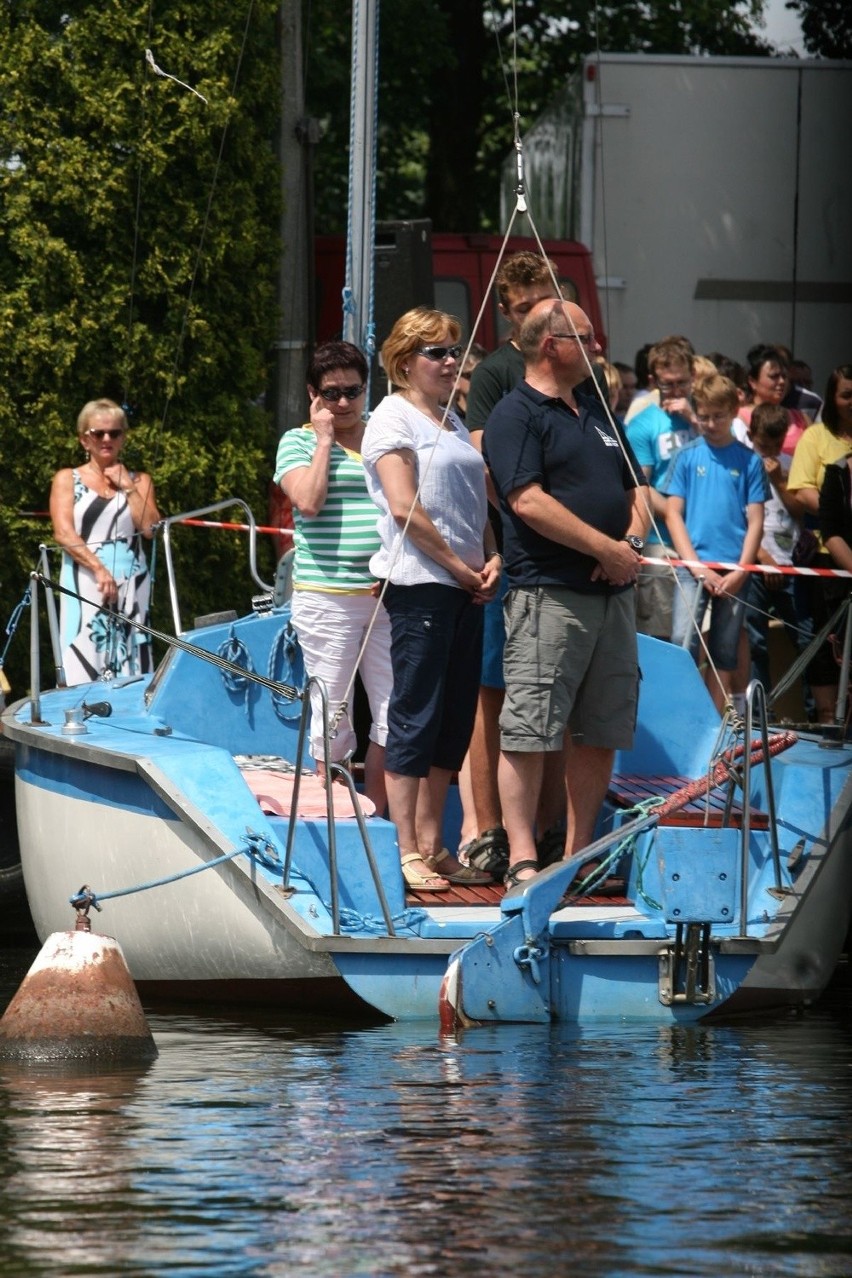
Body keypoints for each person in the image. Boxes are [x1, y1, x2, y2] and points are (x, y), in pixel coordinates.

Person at [483, 299, 649, 887]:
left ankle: (578, 857)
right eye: (585, 336)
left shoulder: (601, 409)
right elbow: (525, 501)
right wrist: (603, 551)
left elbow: (639, 491)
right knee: (529, 731)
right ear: (551, 345)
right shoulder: (515, 414)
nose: (599, 345)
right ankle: (524, 857)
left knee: (601, 729)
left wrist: (624, 546)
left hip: (612, 596)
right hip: (548, 595)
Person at [361, 308, 500, 892]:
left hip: (466, 587)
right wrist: (460, 570)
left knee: (451, 718)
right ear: (404, 361)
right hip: (421, 585)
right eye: (436, 353)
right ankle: (405, 848)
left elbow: (475, 507)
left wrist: (493, 560)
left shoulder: (449, 418)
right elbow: (404, 508)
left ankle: (434, 843)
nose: (450, 361)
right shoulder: (391, 419)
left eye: (453, 351)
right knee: (415, 716)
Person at [457, 252, 563, 879]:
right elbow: (485, 468)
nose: (535, 317)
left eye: (542, 303)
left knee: (560, 704)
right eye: (522, 308)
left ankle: (553, 836)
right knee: (491, 698)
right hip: (513, 560)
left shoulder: (584, 371)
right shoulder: (498, 372)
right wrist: (542, 516)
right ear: (504, 311)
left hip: (570, 572)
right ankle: (488, 829)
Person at [274, 341, 393, 812]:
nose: (343, 403)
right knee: (333, 716)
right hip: (328, 596)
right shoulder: (298, 441)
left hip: (388, 594)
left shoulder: (385, 437)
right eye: (331, 393)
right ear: (313, 394)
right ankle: (339, 816)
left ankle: (384, 818)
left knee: (393, 713)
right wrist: (325, 440)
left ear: (368, 390)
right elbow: (307, 501)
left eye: (353, 391)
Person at [663, 375, 768, 714]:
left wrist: (741, 570)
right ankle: (682, 715)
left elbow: (756, 522)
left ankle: (712, 720)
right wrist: (695, 565)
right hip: (692, 568)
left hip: (734, 568)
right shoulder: (686, 456)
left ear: (735, 412)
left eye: (718, 416)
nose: (710, 423)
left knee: (725, 648)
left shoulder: (750, 461)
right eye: (704, 416)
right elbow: (673, 514)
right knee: (683, 643)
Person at [50, 398, 160, 686]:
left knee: (133, 663)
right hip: (85, 580)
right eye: (98, 433)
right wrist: (99, 569)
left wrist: (129, 488)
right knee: (81, 657)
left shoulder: (141, 481)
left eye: (115, 433)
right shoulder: (66, 479)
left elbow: (150, 528)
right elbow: (63, 533)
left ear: (124, 437)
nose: (107, 439)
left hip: (133, 585)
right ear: (84, 439)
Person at [787, 364, 852, 722]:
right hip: (826, 560)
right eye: (846, 395)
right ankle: (828, 720)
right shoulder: (815, 436)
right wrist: (841, 509)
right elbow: (801, 489)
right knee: (825, 646)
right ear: (832, 397)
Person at [626, 338, 699, 641]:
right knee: (662, 638)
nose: (676, 391)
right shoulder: (643, 425)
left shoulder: (705, 417)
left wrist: (694, 420)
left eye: (682, 382)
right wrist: (672, 513)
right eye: (668, 384)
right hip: (663, 545)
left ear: (693, 376)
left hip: (704, 543)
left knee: (700, 643)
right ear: (654, 381)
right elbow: (640, 485)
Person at [744, 403, 808, 693]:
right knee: (754, 640)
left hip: (789, 563)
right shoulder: (743, 462)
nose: (769, 453)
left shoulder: (789, 464)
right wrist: (762, 557)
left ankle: (815, 713)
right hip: (757, 563)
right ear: (750, 434)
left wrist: (779, 481)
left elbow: (799, 511)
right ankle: (758, 714)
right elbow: (738, 517)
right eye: (763, 445)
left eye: (776, 445)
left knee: (805, 637)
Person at [738, 345, 808, 456]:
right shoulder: (739, 418)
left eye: (784, 376)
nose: (781, 381)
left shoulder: (801, 418)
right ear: (752, 382)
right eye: (774, 376)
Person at [454, 342, 487, 419]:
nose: (476, 380)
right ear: (456, 377)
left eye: (482, 375)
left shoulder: (491, 411)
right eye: (469, 375)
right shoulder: (448, 415)